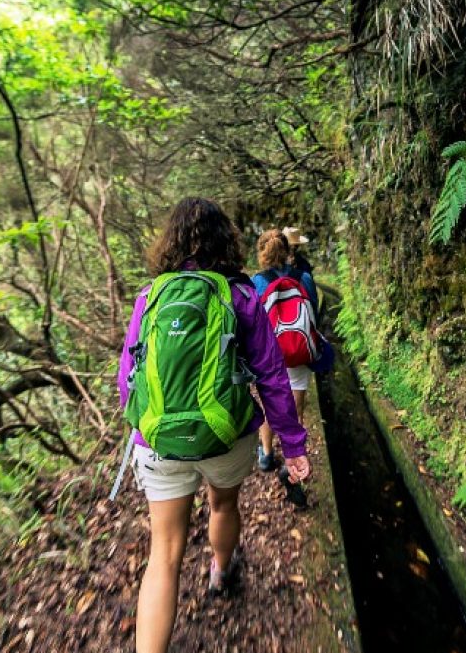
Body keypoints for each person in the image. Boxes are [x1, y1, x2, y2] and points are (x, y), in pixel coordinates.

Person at [118, 198, 311, 653]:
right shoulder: (241, 296)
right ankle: (221, 571)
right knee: (223, 505)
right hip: (227, 438)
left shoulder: (150, 297)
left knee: (163, 554)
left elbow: (128, 377)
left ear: (169, 242)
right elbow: (272, 377)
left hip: (159, 442)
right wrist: (294, 445)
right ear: (227, 240)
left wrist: (143, 429)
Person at [251, 230, 321, 471]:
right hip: (298, 351)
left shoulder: (257, 282)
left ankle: (267, 454)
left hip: (269, 355)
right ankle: (295, 457)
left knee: (269, 404)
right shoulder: (304, 277)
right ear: (288, 249)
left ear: (262, 253)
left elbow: (253, 323)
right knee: (296, 407)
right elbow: (314, 316)